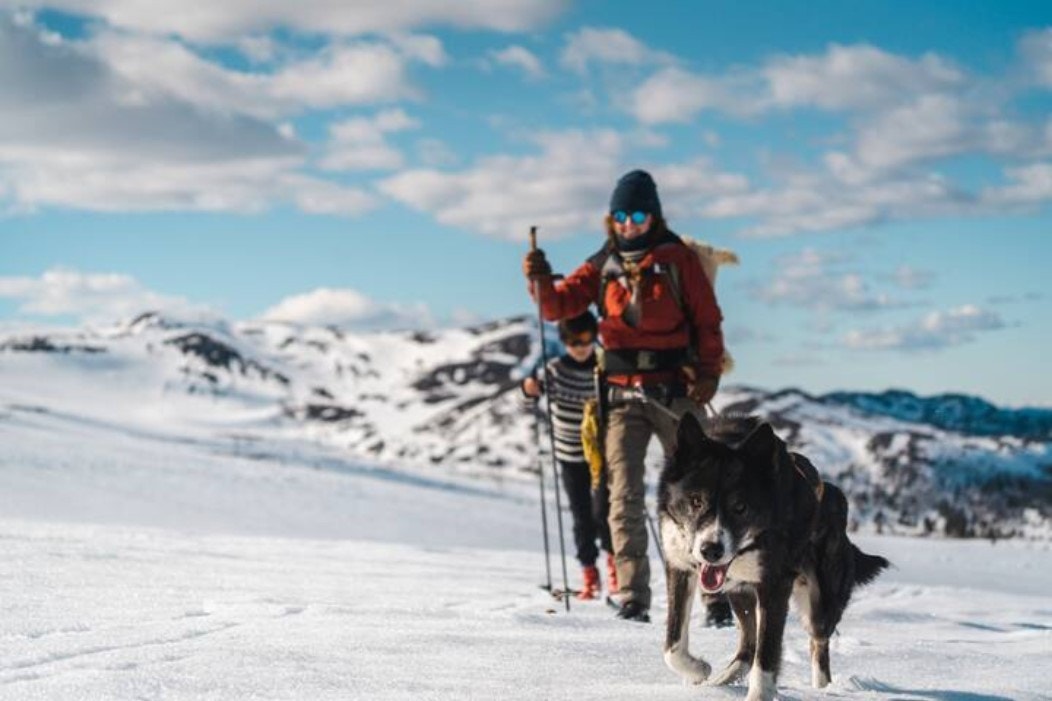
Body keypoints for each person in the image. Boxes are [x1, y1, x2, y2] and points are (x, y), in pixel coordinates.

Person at [522, 169, 727, 624]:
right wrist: (538, 281)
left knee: (699, 491)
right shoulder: (602, 265)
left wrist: (710, 371)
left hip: (676, 389)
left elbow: (708, 320)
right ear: (610, 219)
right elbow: (557, 306)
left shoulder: (678, 260)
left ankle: (715, 596)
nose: (629, 223)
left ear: (652, 216)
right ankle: (633, 595)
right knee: (623, 496)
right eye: (620, 215)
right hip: (619, 395)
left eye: (637, 214)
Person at [521, 311, 615, 601]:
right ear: (564, 341)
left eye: (586, 339)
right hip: (569, 455)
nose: (581, 346)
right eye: (574, 341)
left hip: (600, 455)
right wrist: (529, 388)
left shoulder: (604, 367)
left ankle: (616, 570)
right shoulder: (555, 369)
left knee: (605, 513)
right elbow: (530, 394)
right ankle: (589, 573)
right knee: (581, 516)